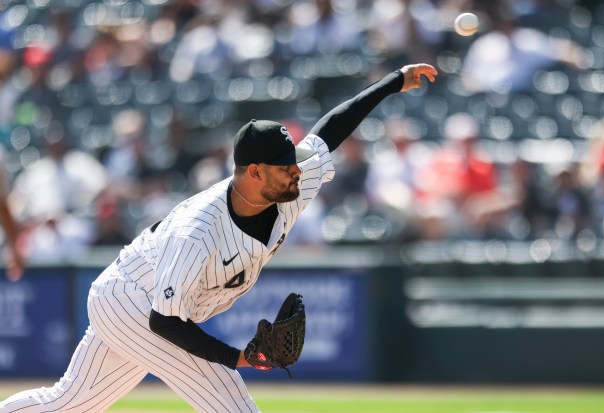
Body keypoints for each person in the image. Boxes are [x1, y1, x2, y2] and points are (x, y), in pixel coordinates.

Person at [0, 62, 437, 412]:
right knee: (231, 403)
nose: (297, 171)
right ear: (254, 172)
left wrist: (392, 82)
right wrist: (238, 358)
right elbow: (163, 322)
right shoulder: (199, 230)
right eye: (286, 165)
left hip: (142, 297)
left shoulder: (290, 183)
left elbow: (329, 131)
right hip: (133, 302)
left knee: (69, 403)